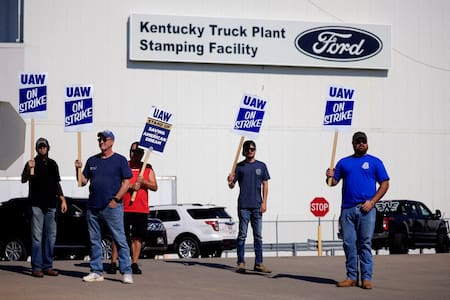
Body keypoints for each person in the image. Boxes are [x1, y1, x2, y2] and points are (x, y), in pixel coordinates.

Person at [326, 131, 390, 290]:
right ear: (353, 144)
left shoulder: (375, 162)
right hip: (347, 209)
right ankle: (351, 277)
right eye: (358, 141)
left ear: (367, 143)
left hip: (366, 209)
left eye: (364, 141)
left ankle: (366, 278)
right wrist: (329, 175)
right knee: (348, 244)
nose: (361, 143)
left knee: (365, 244)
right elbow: (332, 183)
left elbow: (385, 184)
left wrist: (373, 202)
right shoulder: (343, 162)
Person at [74, 130, 134, 284]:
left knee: (120, 239)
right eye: (99, 139)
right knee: (94, 240)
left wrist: (116, 199)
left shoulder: (120, 160)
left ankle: (126, 271)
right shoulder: (92, 161)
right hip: (93, 206)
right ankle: (96, 271)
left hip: (112, 207)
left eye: (104, 139)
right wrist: (78, 169)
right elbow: (82, 182)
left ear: (112, 141)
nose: (101, 142)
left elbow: (127, 182)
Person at [107, 142, 158, 275]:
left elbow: (154, 186)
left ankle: (134, 263)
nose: (133, 154)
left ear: (141, 154)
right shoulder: (125, 165)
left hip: (140, 208)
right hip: (123, 207)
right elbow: (116, 183)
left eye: (136, 152)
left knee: (137, 237)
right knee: (118, 236)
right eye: (131, 151)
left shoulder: (147, 167)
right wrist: (130, 186)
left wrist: (143, 182)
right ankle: (113, 262)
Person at [21, 137, 67, 278]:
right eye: (40, 147)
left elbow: (57, 183)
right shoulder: (32, 163)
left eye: (44, 147)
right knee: (37, 237)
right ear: (36, 149)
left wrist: (62, 199)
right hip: (36, 204)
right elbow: (23, 179)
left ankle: (48, 266)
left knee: (51, 237)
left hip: (51, 204)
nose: (42, 149)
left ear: (48, 148)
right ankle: (36, 267)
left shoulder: (53, 164)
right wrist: (29, 168)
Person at [227, 140, 271, 274]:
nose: (250, 151)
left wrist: (264, 202)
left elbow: (265, 184)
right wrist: (230, 180)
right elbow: (231, 185)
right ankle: (241, 262)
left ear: (255, 150)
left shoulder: (261, 166)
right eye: (248, 149)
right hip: (244, 206)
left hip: (257, 206)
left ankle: (259, 263)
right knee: (242, 235)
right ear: (244, 151)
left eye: (252, 149)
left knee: (258, 236)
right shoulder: (239, 167)